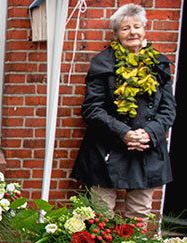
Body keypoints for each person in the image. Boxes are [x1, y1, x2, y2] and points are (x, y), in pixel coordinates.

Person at [71, 4, 176, 218]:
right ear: (116, 33)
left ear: (145, 29)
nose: (132, 32)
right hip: (106, 147)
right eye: (125, 28)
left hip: (146, 148)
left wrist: (148, 133)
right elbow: (92, 108)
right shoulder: (103, 62)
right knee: (101, 214)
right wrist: (124, 133)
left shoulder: (159, 63)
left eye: (137, 26)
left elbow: (168, 109)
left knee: (139, 213)